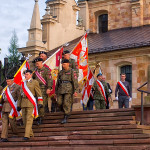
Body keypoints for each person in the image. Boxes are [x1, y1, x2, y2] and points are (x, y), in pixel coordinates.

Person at [17, 70, 43, 140]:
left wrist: (40, 103)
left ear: (31, 75)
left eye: (27, 74)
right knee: (24, 120)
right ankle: (30, 133)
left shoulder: (35, 82)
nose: (26, 76)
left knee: (29, 119)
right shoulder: (22, 84)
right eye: (25, 74)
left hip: (30, 103)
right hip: (23, 103)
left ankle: (27, 135)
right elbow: (20, 96)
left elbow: (39, 93)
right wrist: (18, 105)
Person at [55, 59, 78, 124]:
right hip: (60, 89)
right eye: (62, 64)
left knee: (66, 102)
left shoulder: (72, 71)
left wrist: (75, 91)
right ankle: (65, 111)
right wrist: (55, 91)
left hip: (68, 89)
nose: (63, 65)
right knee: (59, 102)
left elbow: (75, 82)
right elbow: (58, 82)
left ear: (68, 64)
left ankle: (66, 115)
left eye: (64, 64)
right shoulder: (61, 72)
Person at [0, 75, 21, 142]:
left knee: (12, 122)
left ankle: (15, 133)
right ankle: (4, 137)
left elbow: (19, 98)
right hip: (4, 107)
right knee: (4, 122)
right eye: (6, 81)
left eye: (8, 81)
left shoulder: (17, 87)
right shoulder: (5, 88)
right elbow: (2, 98)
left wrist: (18, 106)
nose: (7, 82)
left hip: (12, 107)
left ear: (12, 80)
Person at [32, 58, 53, 125]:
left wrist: (49, 88)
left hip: (43, 89)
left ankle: (41, 118)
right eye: (36, 64)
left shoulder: (46, 70)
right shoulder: (35, 71)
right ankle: (39, 116)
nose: (37, 65)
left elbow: (49, 80)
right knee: (37, 103)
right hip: (36, 90)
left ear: (41, 62)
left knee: (42, 104)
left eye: (38, 63)